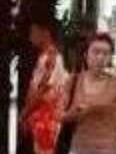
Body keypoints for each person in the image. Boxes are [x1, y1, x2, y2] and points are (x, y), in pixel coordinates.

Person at [21, 14, 69, 154]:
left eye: (33, 31)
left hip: (47, 119)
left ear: (45, 32)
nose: (30, 36)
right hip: (40, 119)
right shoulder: (45, 57)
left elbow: (42, 90)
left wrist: (24, 113)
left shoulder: (51, 58)